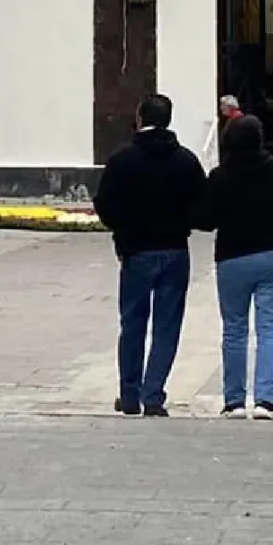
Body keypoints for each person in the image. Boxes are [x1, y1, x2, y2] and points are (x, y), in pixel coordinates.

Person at [94, 91, 207, 416]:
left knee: (132, 323)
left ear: (140, 118)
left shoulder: (122, 159)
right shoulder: (185, 160)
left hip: (136, 251)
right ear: (168, 120)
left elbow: (105, 204)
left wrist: (123, 229)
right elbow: (202, 208)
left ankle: (129, 395)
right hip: (174, 249)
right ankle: (153, 395)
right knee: (167, 325)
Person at [198, 114, 273, 419]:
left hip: (232, 257)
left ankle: (233, 401)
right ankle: (266, 400)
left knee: (234, 330)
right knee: (269, 328)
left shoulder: (220, 176)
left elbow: (205, 219)